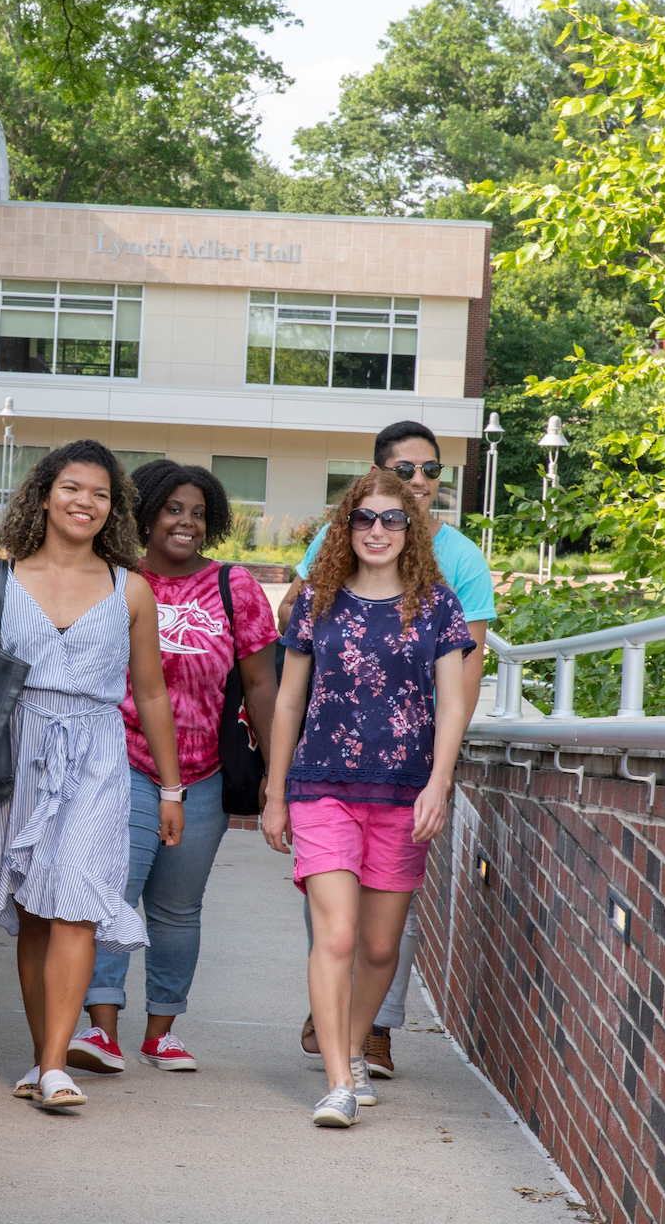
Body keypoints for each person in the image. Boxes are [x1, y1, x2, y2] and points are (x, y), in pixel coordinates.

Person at [0, 439, 184, 1111]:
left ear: (112, 508)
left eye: (100, 493)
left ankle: (53, 1067)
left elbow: (151, 694)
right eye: (73, 488)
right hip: (18, 752)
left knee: (74, 908)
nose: (85, 502)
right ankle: (46, 1061)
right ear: (45, 494)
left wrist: (172, 787)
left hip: (97, 758)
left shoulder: (131, 589)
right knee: (35, 915)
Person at [276, 420, 495, 1080]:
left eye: (394, 519)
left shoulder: (442, 599)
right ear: (348, 522)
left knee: (378, 946)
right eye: (366, 516)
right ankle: (343, 1073)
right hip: (323, 783)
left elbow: (459, 691)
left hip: (403, 785)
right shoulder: (319, 594)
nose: (379, 527)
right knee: (337, 933)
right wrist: (274, 789)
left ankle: (353, 1037)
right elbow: (290, 690)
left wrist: (440, 779)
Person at [64, 461, 280, 1075]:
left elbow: (263, 685)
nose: (185, 522)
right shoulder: (114, 579)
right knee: (112, 895)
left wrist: (274, 770)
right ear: (147, 513)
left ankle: (162, 1030)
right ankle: (101, 1030)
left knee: (179, 908)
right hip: (122, 762)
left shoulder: (235, 587)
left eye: (197, 512)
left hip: (205, 771)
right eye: (172, 509)